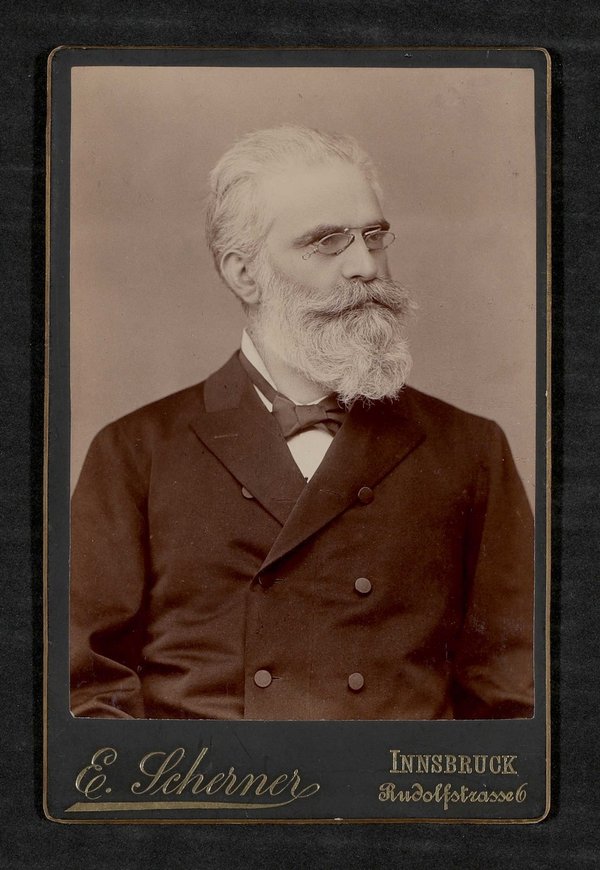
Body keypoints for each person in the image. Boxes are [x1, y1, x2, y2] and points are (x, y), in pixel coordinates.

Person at [70, 125, 534, 721]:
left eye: (373, 236)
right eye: (327, 241)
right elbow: (85, 690)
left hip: (391, 778)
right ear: (244, 274)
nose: (365, 266)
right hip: (211, 778)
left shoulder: (470, 449)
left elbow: (514, 698)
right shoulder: (136, 452)